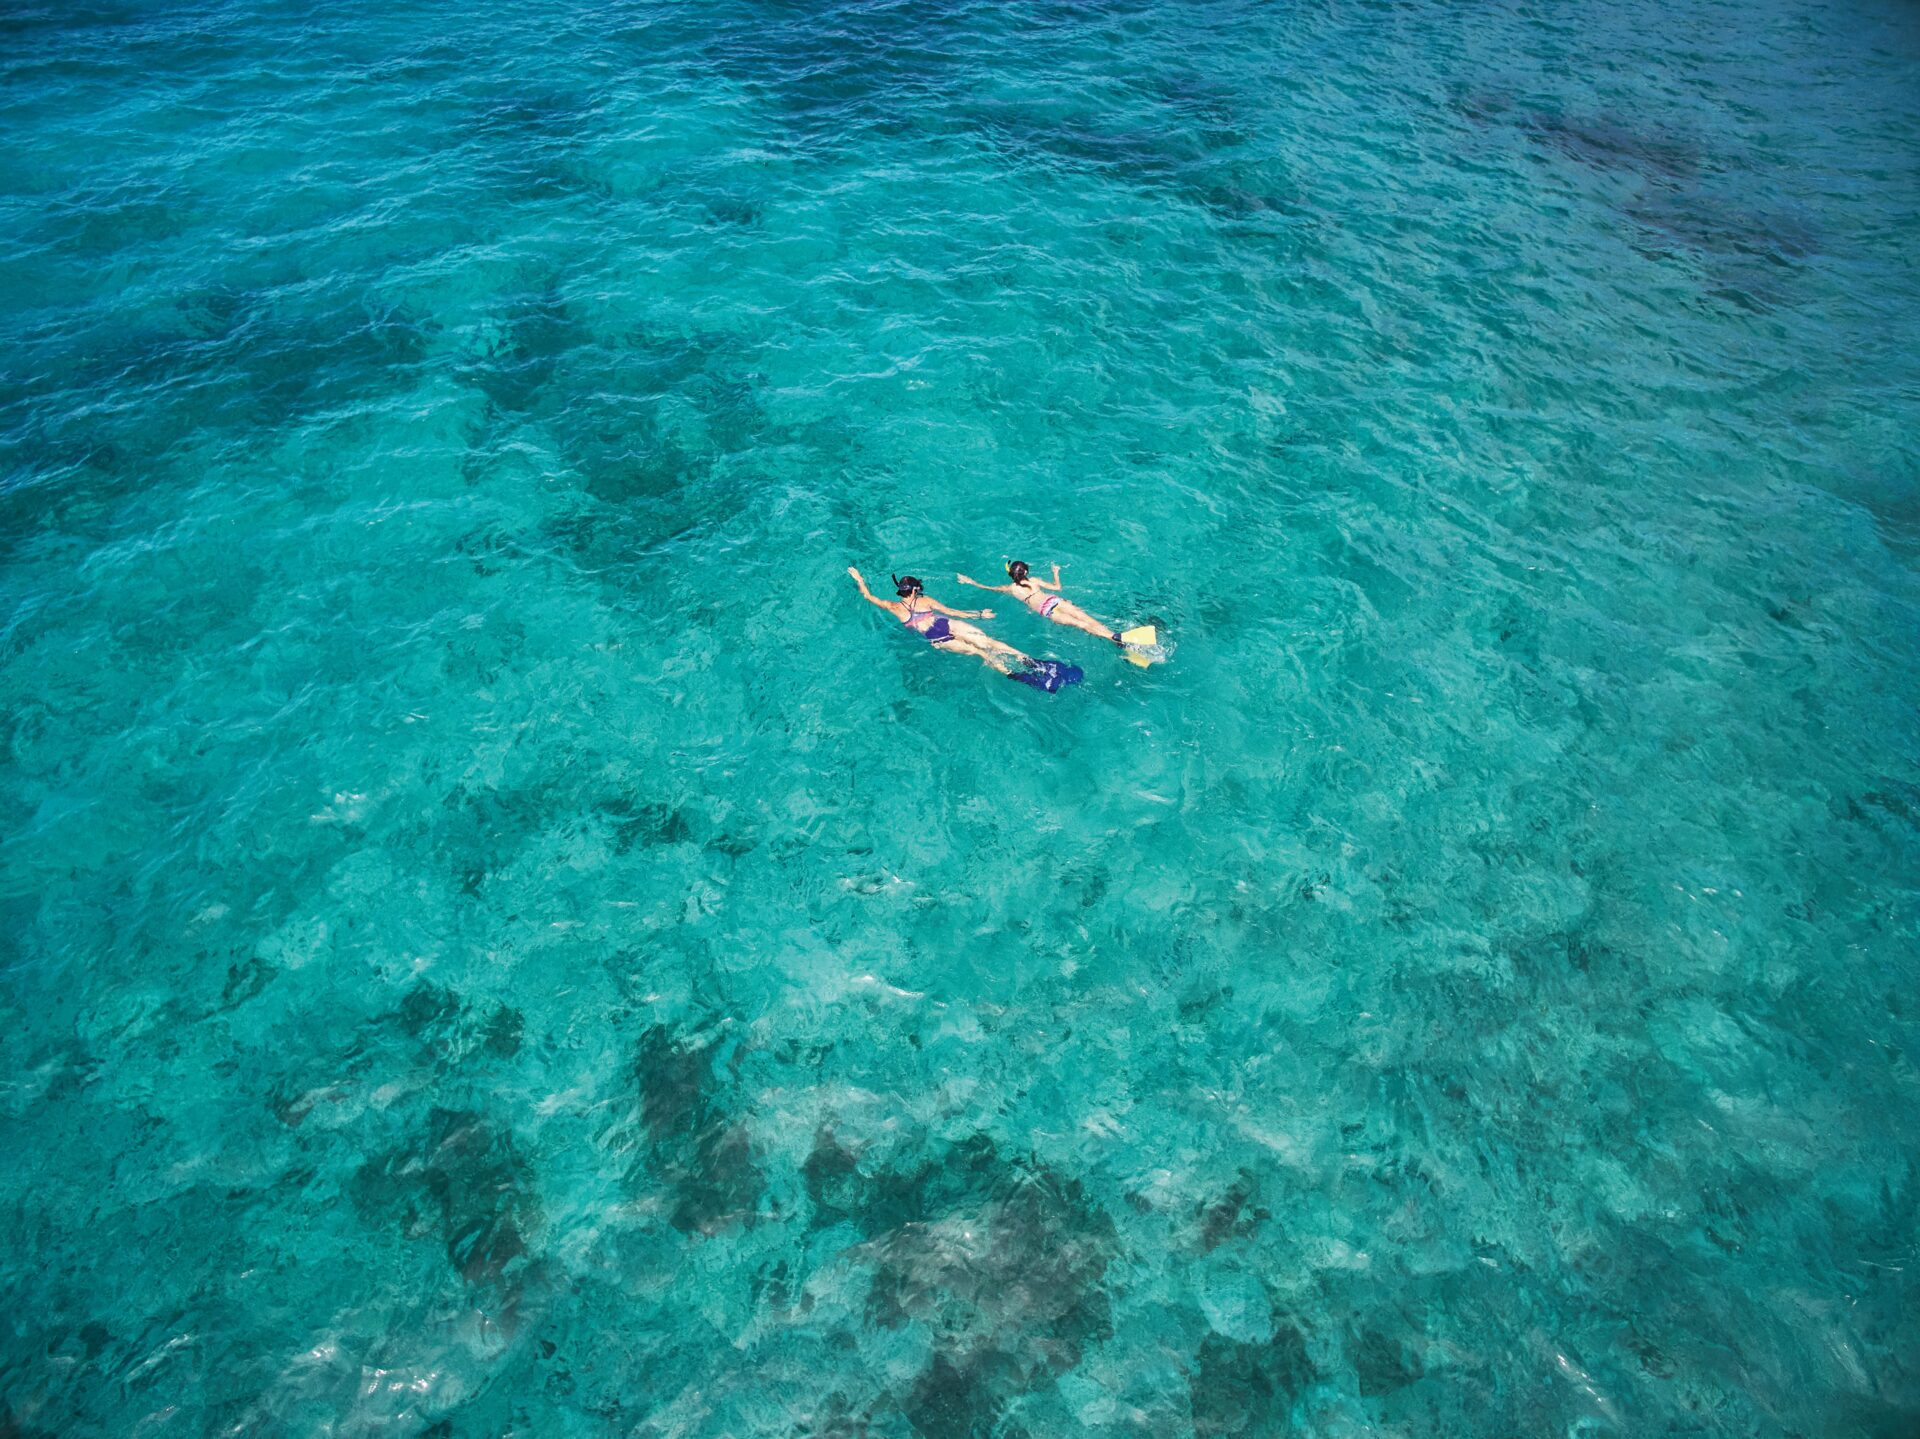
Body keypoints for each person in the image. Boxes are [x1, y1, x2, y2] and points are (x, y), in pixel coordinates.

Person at [846, 567, 1036, 676]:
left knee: (981, 654)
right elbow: (952, 612)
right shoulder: (925, 600)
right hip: (947, 624)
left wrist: (859, 579)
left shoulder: (892, 607)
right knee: (987, 642)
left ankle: (1013, 675)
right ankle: (1024, 657)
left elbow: (868, 597)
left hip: (936, 639)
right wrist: (980, 614)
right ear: (914, 590)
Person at [957, 560, 1125, 645]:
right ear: (1026, 572)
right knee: (1087, 618)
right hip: (1055, 601)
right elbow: (1057, 587)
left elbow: (987, 588)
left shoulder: (1009, 589)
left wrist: (970, 582)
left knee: (1081, 625)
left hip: (1047, 611)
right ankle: (1115, 636)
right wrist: (1055, 572)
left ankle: (1113, 638)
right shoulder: (1034, 581)